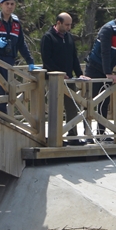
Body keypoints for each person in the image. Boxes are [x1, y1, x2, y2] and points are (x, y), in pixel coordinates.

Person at [85, 8, 116, 136]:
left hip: (108, 68)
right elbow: (105, 52)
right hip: (95, 67)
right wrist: (108, 73)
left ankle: (101, 133)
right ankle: (87, 133)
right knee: (90, 101)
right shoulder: (108, 29)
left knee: (104, 102)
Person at [41, 12, 89, 141]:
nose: (69, 27)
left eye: (70, 25)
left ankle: (72, 135)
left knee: (71, 107)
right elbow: (47, 59)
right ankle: (55, 136)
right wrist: (59, 73)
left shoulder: (69, 37)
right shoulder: (48, 37)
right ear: (58, 23)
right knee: (54, 107)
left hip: (69, 79)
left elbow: (74, 57)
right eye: (67, 25)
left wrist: (79, 74)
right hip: (53, 79)